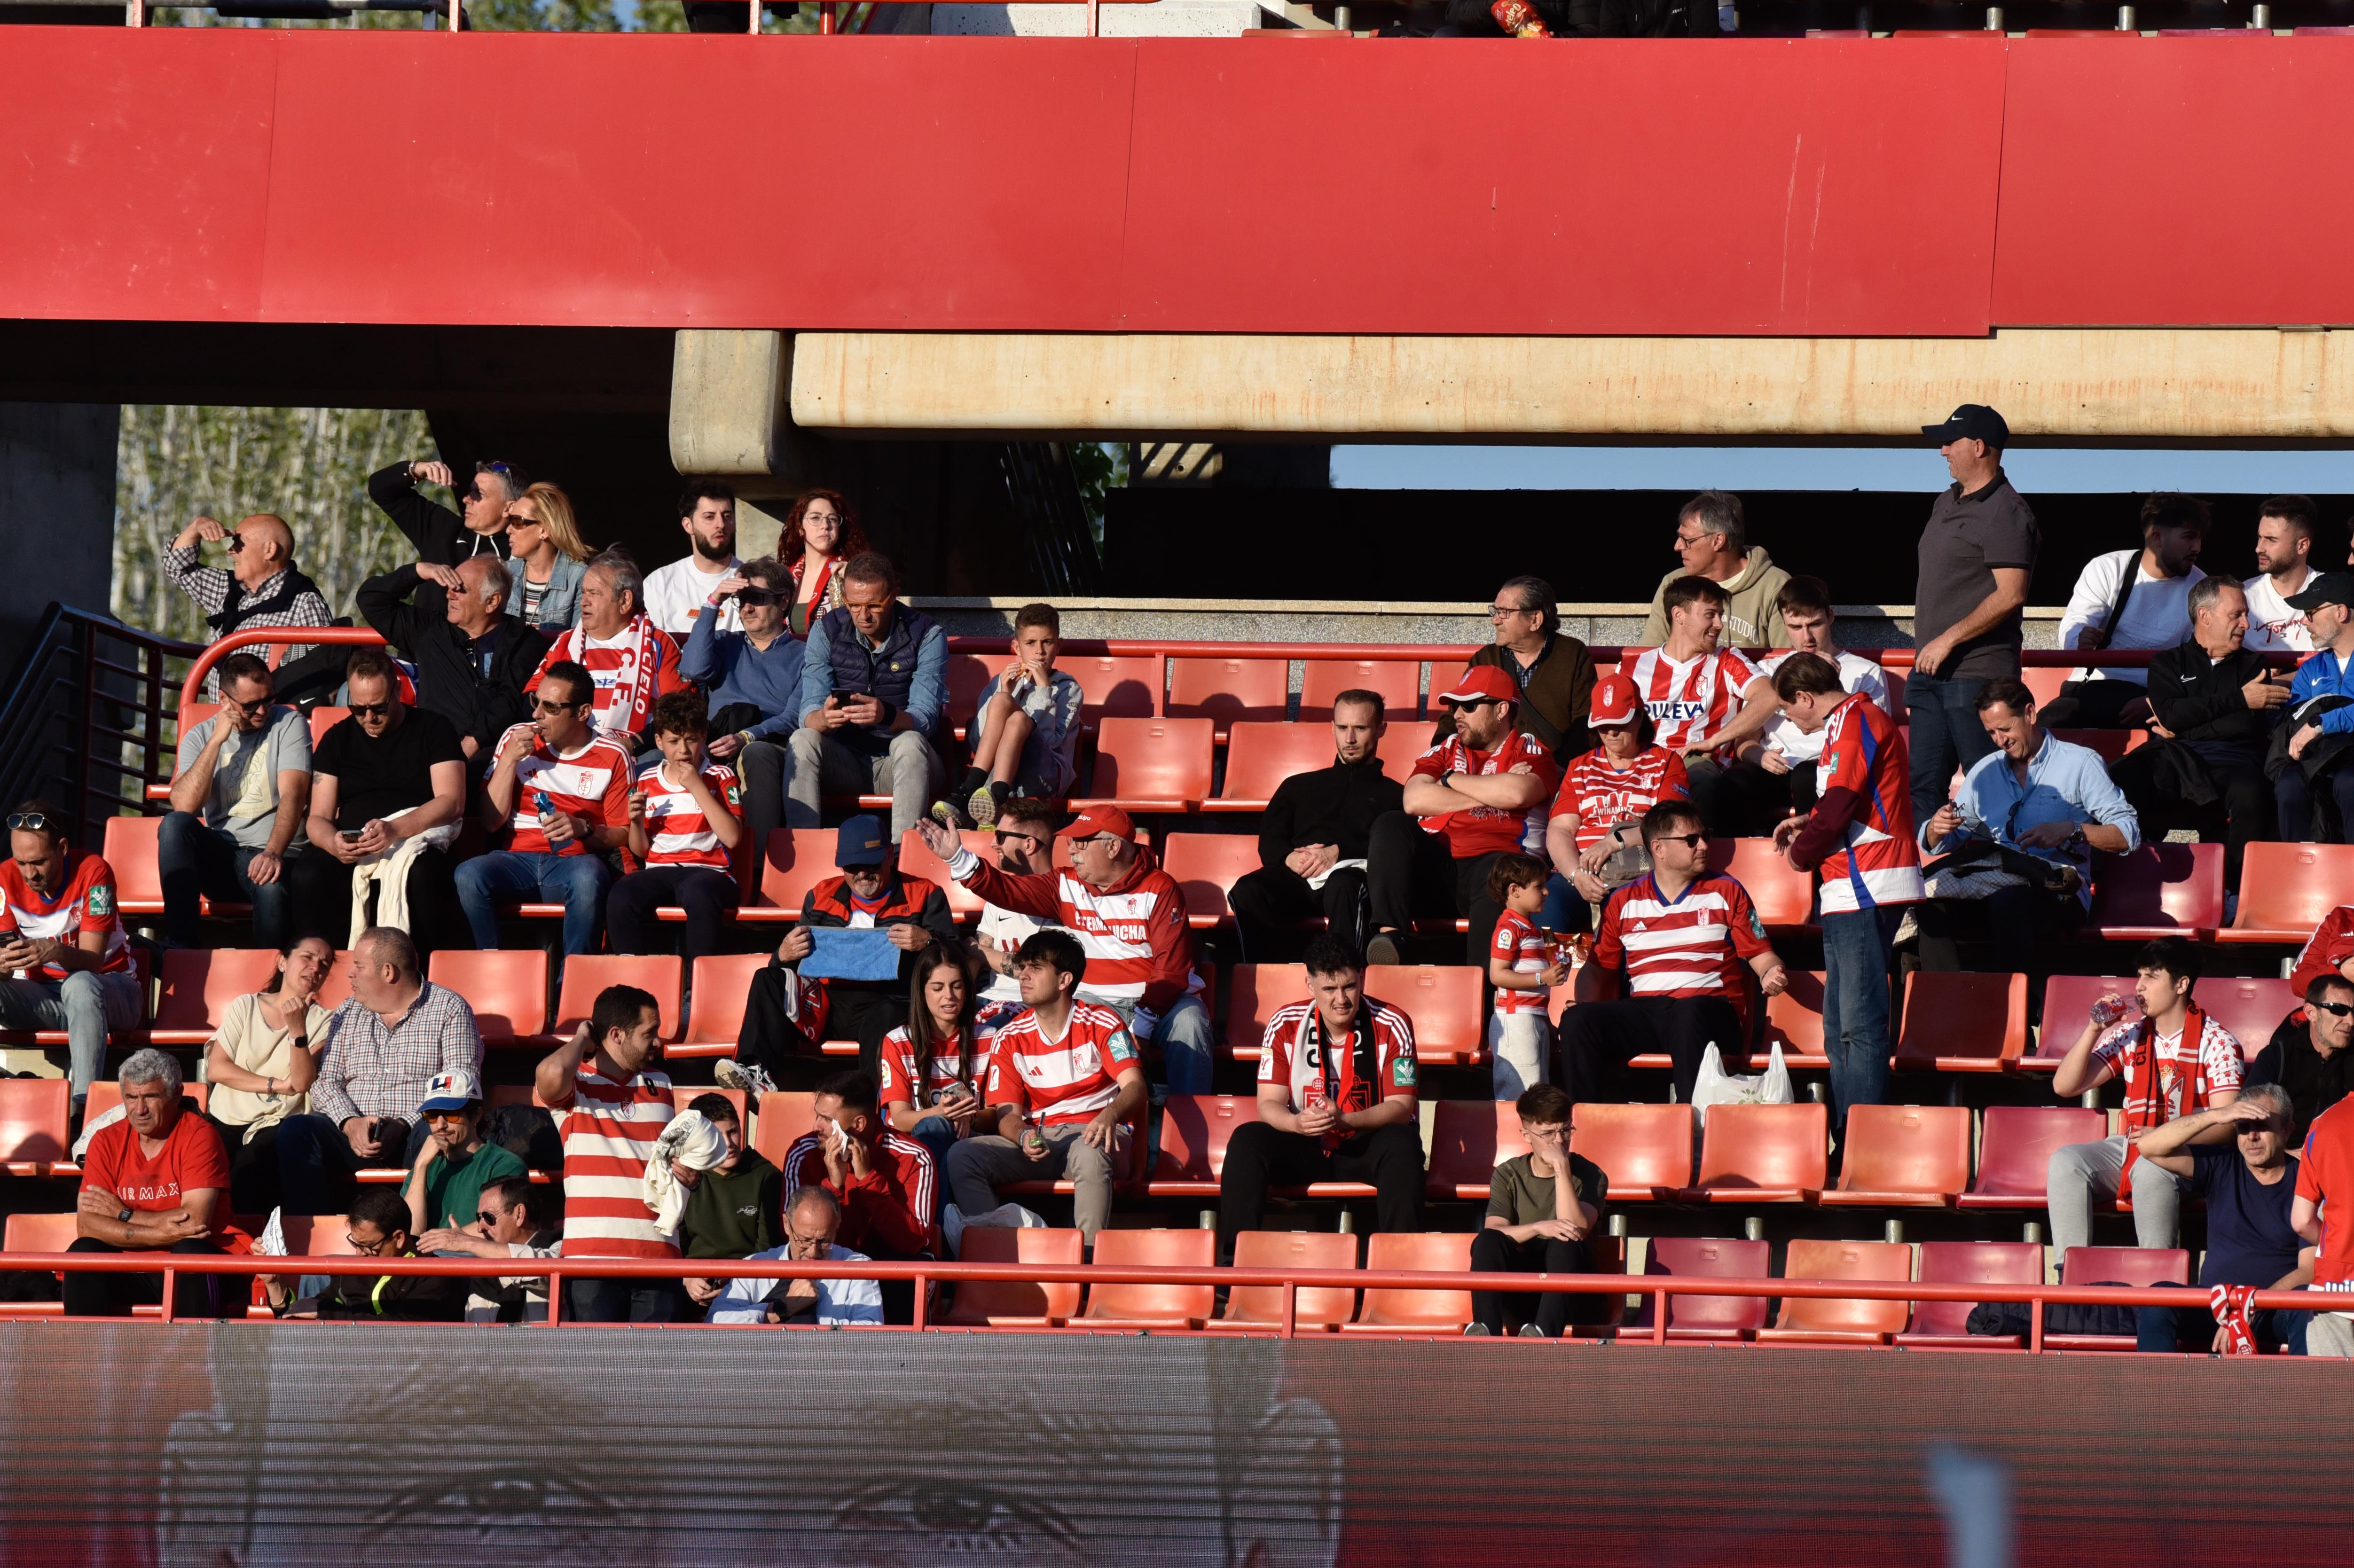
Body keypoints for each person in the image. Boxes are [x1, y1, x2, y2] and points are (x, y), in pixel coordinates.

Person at [914, 804, 1214, 1094]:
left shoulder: (1160, 888)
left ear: (1113, 848)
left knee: (1191, 1021)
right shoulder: (1066, 884)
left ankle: (1186, 1119)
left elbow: (1171, 971)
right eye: (1071, 841)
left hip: (1162, 1003)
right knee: (1062, 1014)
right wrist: (958, 859)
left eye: (1082, 843)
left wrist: (1143, 1028)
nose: (1072, 850)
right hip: (1094, 999)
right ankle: (1081, 1115)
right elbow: (1007, 890)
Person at [1768, 652, 1921, 1137]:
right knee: (1839, 1029)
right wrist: (1806, 824)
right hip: (1848, 885)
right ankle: (1843, 1136)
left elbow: (1840, 804)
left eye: (1788, 709)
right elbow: (1844, 802)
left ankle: (1864, 1142)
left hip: (1867, 883)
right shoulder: (1846, 720)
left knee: (1859, 1023)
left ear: (1806, 697)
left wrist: (1801, 854)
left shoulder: (1858, 717)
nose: (1789, 718)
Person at [1561, 800, 1788, 1108]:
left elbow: (1763, 955)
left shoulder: (1726, 890)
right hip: (1649, 1011)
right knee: (1578, 1020)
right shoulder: (1623, 900)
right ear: (1659, 848)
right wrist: (1584, 1004)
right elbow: (1598, 969)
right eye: (1692, 840)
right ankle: (1583, 1128)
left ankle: (1692, 1128)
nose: (1704, 846)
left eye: (1705, 835)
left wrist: (1771, 972)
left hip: (1712, 1012)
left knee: (1687, 1013)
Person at [1215, 934, 1422, 1262]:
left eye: (1350, 987)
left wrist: (1347, 1121)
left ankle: (1401, 1269)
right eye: (1329, 990)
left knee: (1403, 1143)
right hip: (1306, 1143)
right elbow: (1268, 1103)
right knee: (1247, 1139)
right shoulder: (1284, 1022)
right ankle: (1235, 1265)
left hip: (1365, 1143)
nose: (1341, 999)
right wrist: (1296, 1123)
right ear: (1310, 985)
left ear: (1362, 979)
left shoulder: (1394, 1023)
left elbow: (1401, 1106)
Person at [1911, 680, 2140, 974]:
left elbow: (2128, 833)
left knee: (2009, 902)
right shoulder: (1984, 771)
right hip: (1994, 889)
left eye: (2005, 729)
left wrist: (2072, 829)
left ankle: (2013, 1007)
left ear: (2030, 714)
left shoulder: (2081, 763)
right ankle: (1949, 1005)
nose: (1999, 740)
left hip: (2059, 892)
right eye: (1991, 733)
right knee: (1931, 907)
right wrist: (1937, 827)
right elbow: (1945, 840)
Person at [723, 815, 961, 1094]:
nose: (861, 874)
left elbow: (956, 958)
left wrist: (929, 941)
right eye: (852, 866)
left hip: (889, 1000)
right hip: (825, 1004)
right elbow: (792, 961)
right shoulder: (821, 894)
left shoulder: (926, 894)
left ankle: (870, 1101)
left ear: (889, 855)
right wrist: (783, 954)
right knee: (767, 977)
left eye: (869, 864)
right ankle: (755, 1074)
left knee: (886, 1016)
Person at [2047, 937, 2244, 1255]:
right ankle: (2068, 1278)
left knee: (2152, 1167)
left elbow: (2228, 1125)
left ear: (2181, 984)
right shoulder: (2131, 1034)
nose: (2139, 987)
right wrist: (2094, 1029)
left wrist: (2166, 1137)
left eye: (2151, 977)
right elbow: (2065, 1086)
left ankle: (2159, 1283)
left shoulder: (2219, 1042)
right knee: (2066, 1162)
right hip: (2135, 1143)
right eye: (2139, 976)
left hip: (2194, 1152)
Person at [947, 931, 1145, 1247]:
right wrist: (1023, 1135)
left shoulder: (1104, 1023)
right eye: (1023, 967)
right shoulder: (1010, 1036)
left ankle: (1089, 1267)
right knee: (963, 1155)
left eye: (1036, 968)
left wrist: (1109, 1116)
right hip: (1042, 1137)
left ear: (1065, 980)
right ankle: (995, 1256)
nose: (1023, 976)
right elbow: (1007, 1114)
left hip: (1097, 1134)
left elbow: (1135, 1087)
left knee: (1092, 1151)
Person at [278, 926, 482, 1215]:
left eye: (359, 967)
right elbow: (325, 1082)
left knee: (443, 1128)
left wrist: (402, 1124)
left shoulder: (450, 1008)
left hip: (415, 1135)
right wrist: (350, 1123)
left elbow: (459, 1085)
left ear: (388, 972)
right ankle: (310, 1237)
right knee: (297, 1130)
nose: (350, 974)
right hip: (354, 1136)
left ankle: (435, 1235)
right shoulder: (348, 1011)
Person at [1365, 665, 1556, 970]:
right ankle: (1391, 939)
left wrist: (1447, 781)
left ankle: (1480, 987)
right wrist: (1488, 788)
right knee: (1391, 824)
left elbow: (1518, 795)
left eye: (1468, 706)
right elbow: (1414, 800)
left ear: (1502, 709)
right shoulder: (1447, 748)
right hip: (1441, 867)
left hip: (1496, 868)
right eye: (1455, 706)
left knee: (1497, 869)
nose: (1457, 715)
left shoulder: (1529, 749)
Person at [1909, 403, 2040, 830]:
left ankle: (1999, 878)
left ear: (1979, 447)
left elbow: (2011, 594)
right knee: (1922, 786)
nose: (1942, 450)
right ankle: (1930, 885)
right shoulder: (1944, 502)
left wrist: (1948, 639)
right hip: (1931, 673)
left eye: (1950, 442)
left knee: (1990, 785)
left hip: (1978, 676)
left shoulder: (2007, 511)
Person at [2109, 576, 2285, 887]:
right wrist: (2240, 699)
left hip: (2234, 759)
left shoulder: (2254, 664)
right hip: (2177, 756)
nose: (2246, 624)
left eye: (2246, 615)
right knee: (2122, 777)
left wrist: (2185, 724)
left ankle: (2233, 891)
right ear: (2205, 616)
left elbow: (2241, 725)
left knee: (2250, 791)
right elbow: (2171, 714)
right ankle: (2127, 883)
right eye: (2237, 615)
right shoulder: (2167, 663)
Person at [288, 648, 467, 953]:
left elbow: (452, 801)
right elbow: (318, 817)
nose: (369, 717)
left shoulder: (434, 729)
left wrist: (394, 830)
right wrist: (334, 843)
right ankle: (322, 972)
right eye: (358, 709)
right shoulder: (337, 739)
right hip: (355, 846)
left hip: (414, 839)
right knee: (307, 875)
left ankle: (418, 976)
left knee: (421, 875)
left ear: (398, 690)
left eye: (379, 707)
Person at [463, 659, 635, 958]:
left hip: (575, 862)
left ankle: (573, 981)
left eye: (551, 707)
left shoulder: (614, 755)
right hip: (515, 860)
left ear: (583, 713)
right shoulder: (515, 738)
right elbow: (490, 822)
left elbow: (625, 834)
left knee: (587, 880)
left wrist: (585, 828)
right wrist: (508, 762)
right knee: (469, 875)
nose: (537, 714)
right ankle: (490, 967)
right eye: (535, 701)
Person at [537, 983, 682, 1323]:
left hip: (659, 1256)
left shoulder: (662, 1084)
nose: (658, 1042)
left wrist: (688, 1178)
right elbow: (551, 1074)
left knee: (657, 1374)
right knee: (595, 1373)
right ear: (616, 1035)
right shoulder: (575, 1084)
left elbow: (670, 1167)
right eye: (650, 1033)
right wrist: (581, 1039)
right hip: (591, 1260)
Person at [2131, 1086, 2311, 1355]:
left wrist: (2249, 1306)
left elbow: (2310, 1269)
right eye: (2242, 1126)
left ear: (2287, 1130)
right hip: (2214, 1306)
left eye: (2262, 1126)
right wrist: (2218, 1115)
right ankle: (2155, 1395)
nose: (2251, 1136)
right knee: (2159, 1298)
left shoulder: (2307, 1182)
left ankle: (2307, 1396)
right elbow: (2149, 1147)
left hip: (2273, 1310)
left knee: (2310, 1307)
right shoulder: (2221, 1164)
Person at [1230, 690, 1403, 961]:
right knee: (1247, 890)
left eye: (1360, 728)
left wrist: (1338, 852)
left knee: (1345, 885)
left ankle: (1343, 987)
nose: (1350, 739)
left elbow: (1394, 849)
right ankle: (1266, 980)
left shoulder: (1396, 795)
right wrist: (1289, 858)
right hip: (1299, 877)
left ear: (1381, 729)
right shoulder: (1298, 785)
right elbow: (1270, 840)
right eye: (1343, 728)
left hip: (1352, 877)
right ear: (1332, 728)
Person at [788, 550, 949, 842]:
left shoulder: (927, 634)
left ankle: (904, 854)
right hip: (846, 760)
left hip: (905, 762)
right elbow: (807, 713)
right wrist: (823, 718)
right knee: (803, 739)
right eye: (854, 605)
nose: (863, 615)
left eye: (874, 605)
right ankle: (804, 850)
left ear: (894, 596)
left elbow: (926, 720)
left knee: (911, 742)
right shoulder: (827, 630)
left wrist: (888, 716)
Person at [65, 1049, 232, 1321]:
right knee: (84, 1252)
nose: (139, 1110)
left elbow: (194, 1224)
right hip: (130, 1267)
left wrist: (123, 1215)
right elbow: (88, 1225)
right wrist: (161, 1232)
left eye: (150, 1097)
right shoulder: (105, 1141)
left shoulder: (200, 1136)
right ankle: (88, 1358)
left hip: (192, 1267)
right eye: (131, 1098)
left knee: (188, 1252)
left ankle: (194, 1358)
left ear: (177, 1095)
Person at [158, 651, 309, 949]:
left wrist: (273, 853)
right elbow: (185, 806)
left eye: (269, 699)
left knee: (270, 883)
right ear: (225, 699)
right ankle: (181, 948)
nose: (263, 711)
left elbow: (294, 794)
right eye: (251, 705)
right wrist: (217, 740)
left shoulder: (289, 721)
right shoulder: (200, 736)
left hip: (274, 851)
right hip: (224, 855)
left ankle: (270, 980)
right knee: (174, 824)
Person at [0, 800, 141, 1117]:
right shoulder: (4, 878)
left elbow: (93, 962)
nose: (28, 873)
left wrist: (53, 951)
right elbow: (7, 969)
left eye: (38, 862)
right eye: (20, 862)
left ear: (62, 848)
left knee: (79, 985)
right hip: (45, 998)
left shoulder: (94, 870)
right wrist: (2, 968)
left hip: (113, 991)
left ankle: (85, 1110)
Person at [1624, 575, 1780, 835]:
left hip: (1698, 767)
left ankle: (1702, 864)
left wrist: (1713, 741)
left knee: (1702, 782)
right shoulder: (1634, 667)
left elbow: (1769, 696)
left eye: (1721, 615)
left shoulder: (1727, 660)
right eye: (1711, 615)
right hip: (1643, 765)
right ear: (1679, 615)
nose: (1719, 624)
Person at [353, 551, 540, 765]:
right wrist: (420, 571)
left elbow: (511, 699)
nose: (449, 594)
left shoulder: (525, 641)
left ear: (492, 602)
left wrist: (471, 744)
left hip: (497, 756)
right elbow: (371, 600)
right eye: (449, 586)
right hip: (431, 753)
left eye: (460, 589)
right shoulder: (430, 630)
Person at [782, 1069, 937, 1322]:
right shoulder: (803, 1153)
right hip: (824, 1258)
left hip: (893, 1267)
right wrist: (833, 1186)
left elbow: (912, 1242)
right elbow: (789, 1234)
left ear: (859, 1124)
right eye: (816, 1115)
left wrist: (869, 1181)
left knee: (910, 1277)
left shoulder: (914, 1157)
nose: (815, 1127)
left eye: (826, 1119)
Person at [2046, 493, 2212, 729]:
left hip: (2160, 699)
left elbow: (2199, 663)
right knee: (2046, 728)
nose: (2197, 547)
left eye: (2199, 538)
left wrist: (2156, 701)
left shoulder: (2203, 587)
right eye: (2189, 537)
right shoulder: (2108, 569)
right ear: (2157, 538)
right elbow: (2076, 625)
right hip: (2095, 688)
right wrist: (2081, 639)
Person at [605, 690, 744, 972]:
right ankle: (634, 980)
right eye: (673, 741)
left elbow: (733, 837)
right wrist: (635, 821)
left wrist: (696, 787)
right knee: (621, 895)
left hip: (711, 873)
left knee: (699, 893)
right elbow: (642, 850)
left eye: (691, 740)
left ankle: (698, 986)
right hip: (659, 870)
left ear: (703, 737)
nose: (683, 751)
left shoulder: (721, 777)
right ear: (659, 742)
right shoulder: (645, 779)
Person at [1540, 673, 1688, 933]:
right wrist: (1577, 876)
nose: (1610, 732)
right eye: (1602, 724)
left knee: (1625, 916)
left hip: (1638, 874)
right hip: (1580, 873)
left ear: (1639, 717)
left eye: (1619, 723)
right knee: (1546, 910)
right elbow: (1560, 829)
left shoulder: (1667, 762)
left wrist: (1613, 842)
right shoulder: (1580, 767)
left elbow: (1672, 825)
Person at [681, 554, 803, 855]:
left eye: (757, 599)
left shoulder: (805, 653)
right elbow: (693, 670)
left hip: (771, 746)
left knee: (756, 754)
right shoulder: (725, 643)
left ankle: (758, 868)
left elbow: (796, 716)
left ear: (784, 602)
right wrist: (713, 603)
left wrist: (747, 736)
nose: (747, 608)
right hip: (717, 743)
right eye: (742, 599)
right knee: (666, 751)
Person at [202, 935, 332, 1215]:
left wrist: (297, 1028)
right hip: (226, 1117)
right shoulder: (246, 1005)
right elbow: (217, 1068)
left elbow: (301, 1082)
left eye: (325, 964)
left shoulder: (326, 1021)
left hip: (278, 1122)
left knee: (251, 1168)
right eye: (307, 957)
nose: (316, 967)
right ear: (283, 962)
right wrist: (276, 1085)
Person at [1467, 1083, 1608, 1340]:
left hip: (1570, 1291)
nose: (1559, 1141)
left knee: (1565, 1241)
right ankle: (1484, 1331)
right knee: (1487, 1240)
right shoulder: (1508, 1174)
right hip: (1522, 1288)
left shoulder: (1590, 1174)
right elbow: (1495, 1232)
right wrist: (1537, 1227)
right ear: (1526, 1135)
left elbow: (1578, 1229)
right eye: (1548, 1134)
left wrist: (1561, 1170)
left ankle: (1542, 1335)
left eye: (1566, 1130)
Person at [1750, 575, 1894, 814]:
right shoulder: (1768, 671)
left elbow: (1871, 739)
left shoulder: (1866, 672)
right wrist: (1759, 757)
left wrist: (1832, 686)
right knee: (1735, 782)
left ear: (1831, 617)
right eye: (1795, 627)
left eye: (1815, 624)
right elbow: (1745, 739)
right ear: (1784, 624)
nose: (1807, 638)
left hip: (1828, 768)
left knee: (1808, 776)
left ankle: (1814, 849)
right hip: (1775, 766)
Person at [526, 550, 689, 751]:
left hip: (639, 752)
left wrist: (634, 743)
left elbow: (681, 711)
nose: (583, 601)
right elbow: (532, 700)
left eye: (594, 593)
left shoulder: (659, 643)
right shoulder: (566, 642)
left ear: (625, 601)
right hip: (566, 747)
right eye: (584, 592)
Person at [940, 602, 1083, 828]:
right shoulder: (1000, 682)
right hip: (998, 774)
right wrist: (1006, 693)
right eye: (1030, 643)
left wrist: (1045, 692)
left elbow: (1053, 742)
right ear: (1017, 647)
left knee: (1018, 719)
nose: (1039, 652)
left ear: (1059, 646)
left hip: (1043, 776)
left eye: (1047, 642)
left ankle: (968, 791)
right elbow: (979, 739)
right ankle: (995, 796)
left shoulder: (1068, 689)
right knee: (1004, 703)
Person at [1430, 575, 1597, 766]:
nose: (1495, 620)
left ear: (1535, 620)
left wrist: (1559, 770)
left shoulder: (1572, 655)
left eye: (1504, 612)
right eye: (1495, 611)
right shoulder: (1485, 659)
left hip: (1553, 772)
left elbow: (1586, 723)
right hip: (1490, 772)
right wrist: (1440, 759)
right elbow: (1456, 714)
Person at [162, 512, 330, 676]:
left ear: (269, 550)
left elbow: (321, 667)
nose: (231, 551)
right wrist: (196, 527)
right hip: (219, 706)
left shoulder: (304, 602)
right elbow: (176, 566)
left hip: (272, 705)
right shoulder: (228, 590)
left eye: (239, 542)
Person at [879, 944, 997, 1173]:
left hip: (971, 1146)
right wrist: (942, 1114)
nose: (949, 996)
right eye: (937, 988)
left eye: (957, 986)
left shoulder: (990, 1039)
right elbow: (901, 1119)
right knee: (934, 1127)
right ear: (922, 992)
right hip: (913, 1147)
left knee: (956, 1155)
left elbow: (997, 1114)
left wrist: (969, 1118)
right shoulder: (898, 1042)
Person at [704, 1185, 887, 1328]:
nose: (814, 1253)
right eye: (805, 1240)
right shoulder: (755, 1266)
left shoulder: (858, 1268)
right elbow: (714, 1322)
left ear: (838, 1225)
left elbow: (871, 1333)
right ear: (786, 1224)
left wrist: (818, 1330)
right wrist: (780, 1310)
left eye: (824, 1241)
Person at [1637, 491, 1792, 651]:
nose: (1678, 546)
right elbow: (1648, 657)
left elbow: (1788, 664)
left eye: (1687, 540)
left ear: (1718, 541)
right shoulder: (1674, 584)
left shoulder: (1775, 586)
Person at [414, 1173, 562, 1325]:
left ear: (519, 1215)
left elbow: (545, 1270)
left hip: (545, 1347)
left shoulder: (560, 1247)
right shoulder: (482, 1277)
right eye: (479, 1218)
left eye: (488, 1217)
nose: (480, 1228)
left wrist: (468, 1243)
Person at [306, 1186, 465, 1323]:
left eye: (369, 1246)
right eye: (356, 1243)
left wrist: (329, 1314)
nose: (359, 1254)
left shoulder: (435, 1276)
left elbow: (397, 1329)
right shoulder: (356, 1267)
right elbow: (324, 1301)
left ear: (398, 1238)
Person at [2275, 571, 2354, 842]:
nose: (2304, 621)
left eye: (2311, 612)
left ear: (2341, 612)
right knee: (2288, 785)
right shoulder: (2311, 670)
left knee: (2349, 783)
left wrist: (2321, 724)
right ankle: (2298, 878)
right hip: (2321, 758)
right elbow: (2296, 719)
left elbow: (2312, 723)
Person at [965, 797, 1057, 1030]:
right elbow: (975, 958)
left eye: (1001, 837)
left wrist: (979, 950)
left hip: (1031, 1005)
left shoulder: (1062, 896)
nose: (994, 845)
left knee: (990, 1033)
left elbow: (1034, 970)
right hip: (986, 999)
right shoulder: (999, 896)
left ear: (1029, 845)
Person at [400, 1069, 527, 1237]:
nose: (440, 1125)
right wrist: (421, 1167)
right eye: (431, 1116)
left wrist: (445, 1241)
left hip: (478, 1260)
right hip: (429, 1258)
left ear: (476, 1115)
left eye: (451, 1115)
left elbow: (499, 1227)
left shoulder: (505, 1165)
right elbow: (412, 1232)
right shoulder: (424, 1166)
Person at [674, 1092, 785, 1284]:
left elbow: (767, 1250)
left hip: (748, 1282)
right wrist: (688, 1280)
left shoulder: (767, 1176)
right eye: (716, 1136)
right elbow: (677, 1245)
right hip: (694, 1279)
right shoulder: (686, 1175)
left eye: (732, 1131)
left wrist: (735, 1283)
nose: (728, 1144)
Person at [1483, 854, 1568, 1102]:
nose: (1546, 893)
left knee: (1537, 1093)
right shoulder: (1509, 927)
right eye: (1539, 887)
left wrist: (1546, 1023)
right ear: (1515, 890)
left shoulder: (1528, 927)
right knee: (1519, 1096)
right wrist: (1543, 978)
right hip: (1516, 1021)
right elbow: (1498, 974)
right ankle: (1516, 1140)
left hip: (1532, 1019)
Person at [2249, 974, 2354, 1145]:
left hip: (2338, 1161)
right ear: (2311, 1013)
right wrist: (2284, 1158)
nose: (2351, 1021)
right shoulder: (2278, 1056)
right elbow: (2249, 1120)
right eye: (2339, 1009)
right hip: (2283, 1162)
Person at [370, 455, 531, 565]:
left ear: (509, 508)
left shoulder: (525, 553)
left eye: (479, 494)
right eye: (470, 491)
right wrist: (417, 469)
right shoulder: (443, 530)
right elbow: (380, 490)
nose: (467, 499)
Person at [2292, 1086, 2354, 1356]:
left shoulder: (2324, 1122)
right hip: (2335, 1283)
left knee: (2335, 1395)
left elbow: (2302, 1221)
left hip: (2334, 1284)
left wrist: (2337, 1240)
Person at [642, 479, 743, 636]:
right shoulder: (659, 583)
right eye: (710, 517)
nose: (721, 525)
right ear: (688, 525)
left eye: (727, 516)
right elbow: (652, 648)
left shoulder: (750, 580)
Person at [501, 481, 592, 632]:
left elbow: (579, 640)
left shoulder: (579, 577)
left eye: (517, 522)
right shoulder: (504, 573)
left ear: (545, 530)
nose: (508, 530)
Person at [781, 488, 865, 638]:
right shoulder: (785, 575)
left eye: (832, 519)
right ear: (800, 528)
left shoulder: (853, 570)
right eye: (815, 518)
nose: (825, 525)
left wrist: (858, 581)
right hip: (792, 659)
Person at [2244, 494, 2320, 655]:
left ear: (2302, 546)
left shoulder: (2332, 595)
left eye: (2271, 540)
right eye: (2260, 538)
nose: (2259, 548)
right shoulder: (2242, 596)